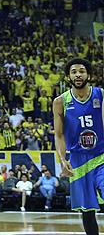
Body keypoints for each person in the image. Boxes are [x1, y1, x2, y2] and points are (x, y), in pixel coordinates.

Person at [55, 57, 103, 233]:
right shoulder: (60, 102)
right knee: (87, 212)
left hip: (101, 155)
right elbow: (59, 135)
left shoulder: (101, 94)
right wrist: (62, 160)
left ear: (88, 75)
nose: (78, 74)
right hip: (77, 160)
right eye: (74, 72)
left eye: (81, 71)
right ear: (68, 77)